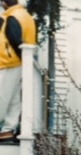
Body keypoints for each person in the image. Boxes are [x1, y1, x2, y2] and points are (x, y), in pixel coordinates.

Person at [0, 0, 37, 141]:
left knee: (2, 96)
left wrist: (19, 56)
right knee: (14, 99)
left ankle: (6, 128)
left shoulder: (12, 16)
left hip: (9, 62)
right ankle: (7, 130)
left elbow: (15, 39)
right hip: (21, 63)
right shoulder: (25, 15)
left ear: (4, 3)